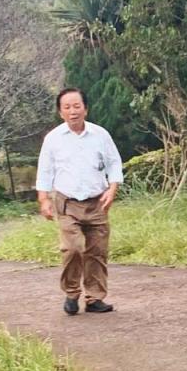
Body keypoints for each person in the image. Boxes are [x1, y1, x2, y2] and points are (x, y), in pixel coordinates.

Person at [35, 87, 123, 315]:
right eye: (67, 107)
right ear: (60, 112)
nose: (73, 111)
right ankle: (71, 293)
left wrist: (112, 189)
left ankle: (94, 298)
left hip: (97, 202)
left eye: (77, 106)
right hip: (67, 203)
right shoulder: (53, 139)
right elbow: (44, 171)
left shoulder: (100, 135)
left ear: (86, 108)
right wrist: (43, 199)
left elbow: (114, 163)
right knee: (72, 248)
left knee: (97, 251)